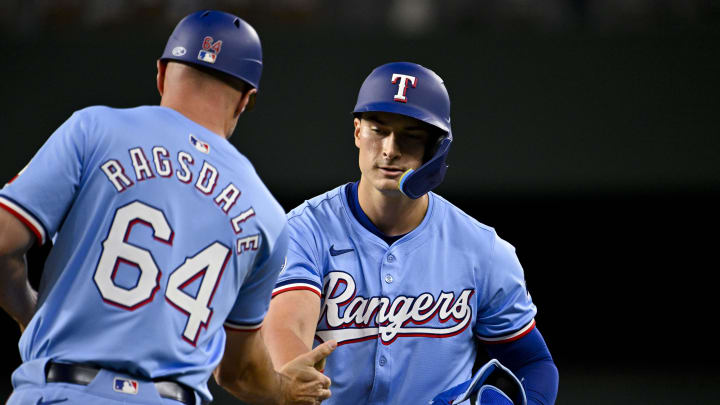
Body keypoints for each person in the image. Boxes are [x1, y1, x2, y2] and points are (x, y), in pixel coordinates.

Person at [0, 10, 335, 405]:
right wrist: (284, 389)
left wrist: (27, 310)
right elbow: (239, 371)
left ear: (161, 73)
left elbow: (3, 242)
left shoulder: (94, 130)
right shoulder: (267, 215)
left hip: (65, 390)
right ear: (246, 100)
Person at [263, 62, 559, 404]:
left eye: (410, 135)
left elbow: (533, 362)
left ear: (435, 149)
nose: (390, 149)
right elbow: (287, 324)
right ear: (357, 131)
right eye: (379, 129)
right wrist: (289, 371)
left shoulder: (482, 250)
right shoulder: (305, 229)